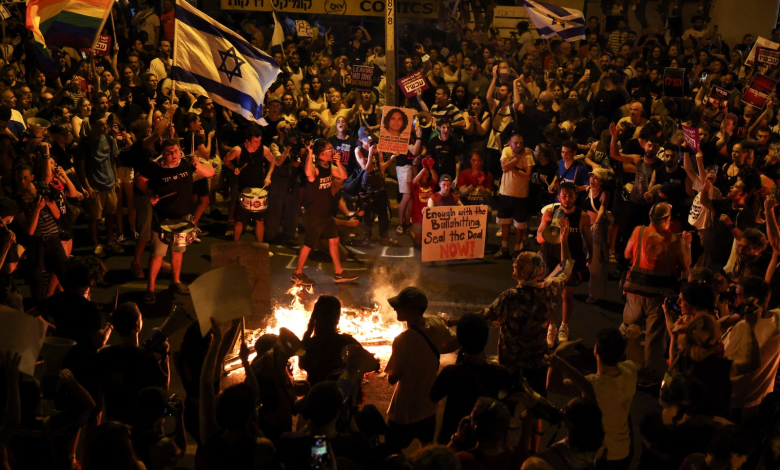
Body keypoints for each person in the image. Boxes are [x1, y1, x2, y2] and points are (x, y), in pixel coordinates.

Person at [547, 326, 643, 470]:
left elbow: (554, 386)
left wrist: (558, 354)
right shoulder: (629, 372)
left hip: (601, 456)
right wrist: (633, 340)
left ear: (595, 350)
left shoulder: (595, 384)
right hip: (624, 450)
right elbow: (636, 360)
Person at [135, 138, 215, 304]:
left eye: (176, 151)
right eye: (169, 153)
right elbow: (139, 179)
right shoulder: (156, 167)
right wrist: (150, 193)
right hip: (162, 217)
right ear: (163, 154)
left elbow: (210, 172)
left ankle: (176, 281)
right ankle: (150, 288)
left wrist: (198, 165)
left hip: (184, 217)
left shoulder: (187, 162)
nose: (173, 155)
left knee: (178, 251)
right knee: (157, 254)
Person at [622, 202, 690, 385]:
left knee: (631, 330)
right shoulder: (676, 240)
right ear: (667, 219)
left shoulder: (638, 231)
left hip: (635, 290)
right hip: (659, 295)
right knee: (654, 336)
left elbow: (627, 254)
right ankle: (646, 374)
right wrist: (687, 245)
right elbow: (684, 265)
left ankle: (629, 366)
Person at [384, 286, 459, 453]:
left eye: (400, 306)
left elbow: (392, 378)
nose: (395, 308)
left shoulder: (402, 340)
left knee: (391, 452)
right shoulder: (435, 323)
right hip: (428, 408)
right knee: (427, 451)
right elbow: (455, 342)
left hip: (403, 412)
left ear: (413, 310)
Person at [430, 314, 512, 445]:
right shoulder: (502, 375)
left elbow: (433, 397)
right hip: (486, 444)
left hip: (454, 442)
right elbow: (508, 410)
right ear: (486, 339)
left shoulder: (451, 373)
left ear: (460, 341)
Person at [291, 139, 359, 286]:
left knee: (334, 240)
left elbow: (344, 176)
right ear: (322, 154)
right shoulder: (315, 168)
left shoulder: (328, 166)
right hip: (313, 214)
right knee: (309, 244)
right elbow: (308, 172)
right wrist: (309, 153)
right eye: (330, 150)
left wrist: (338, 163)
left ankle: (339, 273)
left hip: (325, 214)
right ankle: (297, 273)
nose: (333, 151)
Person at [538, 182, 593, 345]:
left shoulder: (582, 216)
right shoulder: (550, 212)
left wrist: (590, 256)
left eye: (570, 195)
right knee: (550, 296)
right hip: (551, 258)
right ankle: (551, 327)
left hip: (570, 258)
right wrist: (552, 231)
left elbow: (589, 239)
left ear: (575, 196)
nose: (567, 198)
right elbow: (539, 237)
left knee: (567, 295)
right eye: (564, 195)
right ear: (558, 197)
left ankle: (564, 325)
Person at [75, 116, 123, 256]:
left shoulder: (109, 139)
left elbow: (112, 161)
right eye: (101, 124)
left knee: (110, 215)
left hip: (109, 184)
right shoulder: (85, 143)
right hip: (95, 186)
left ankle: (109, 241)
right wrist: (87, 186)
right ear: (92, 125)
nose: (105, 127)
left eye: (105, 124)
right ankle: (96, 243)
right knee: (94, 217)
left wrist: (116, 179)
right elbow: (81, 167)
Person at [222, 124, 274, 245]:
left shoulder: (263, 149)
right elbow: (226, 159)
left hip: (259, 188)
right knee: (239, 221)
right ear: (248, 140)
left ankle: (261, 247)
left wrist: (268, 176)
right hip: (243, 187)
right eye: (256, 141)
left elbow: (273, 161)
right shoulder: (238, 150)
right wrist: (234, 168)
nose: (258, 144)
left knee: (260, 221)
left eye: (259, 140)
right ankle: (235, 244)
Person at [300, 295, 359, 385]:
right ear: (337, 317)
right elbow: (367, 360)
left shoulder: (307, 344)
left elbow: (302, 366)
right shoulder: (346, 342)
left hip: (316, 393)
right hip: (340, 395)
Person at [494, 133, 535, 259]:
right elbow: (504, 168)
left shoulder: (528, 154)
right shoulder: (506, 151)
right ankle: (504, 247)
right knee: (505, 222)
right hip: (506, 192)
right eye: (516, 143)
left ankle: (517, 249)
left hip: (521, 195)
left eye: (520, 143)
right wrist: (517, 158)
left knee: (519, 225)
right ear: (510, 143)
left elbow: (527, 176)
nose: (519, 145)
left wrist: (512, 167)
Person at [584, 168, 611, 304]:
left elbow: (602, 209)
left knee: (596, 262)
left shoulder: (604, 193)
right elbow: (576, 188)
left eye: (596, 178)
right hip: (585, 227)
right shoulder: (588, 189)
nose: (592, 180)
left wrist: (596, 222)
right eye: (591, 177)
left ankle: (595, 293)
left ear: (602, 181)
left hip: (597, 229)